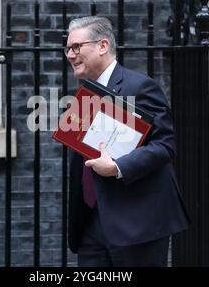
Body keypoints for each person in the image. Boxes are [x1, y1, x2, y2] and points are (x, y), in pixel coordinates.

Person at [65, 16, 190, 267]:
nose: (70, 54)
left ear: (102, 45)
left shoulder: (140, 86)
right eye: (67, 48)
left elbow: (165, 145)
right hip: (91, 223)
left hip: (137, 224)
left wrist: (118, 168)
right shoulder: (84, 96)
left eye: (76, 47)